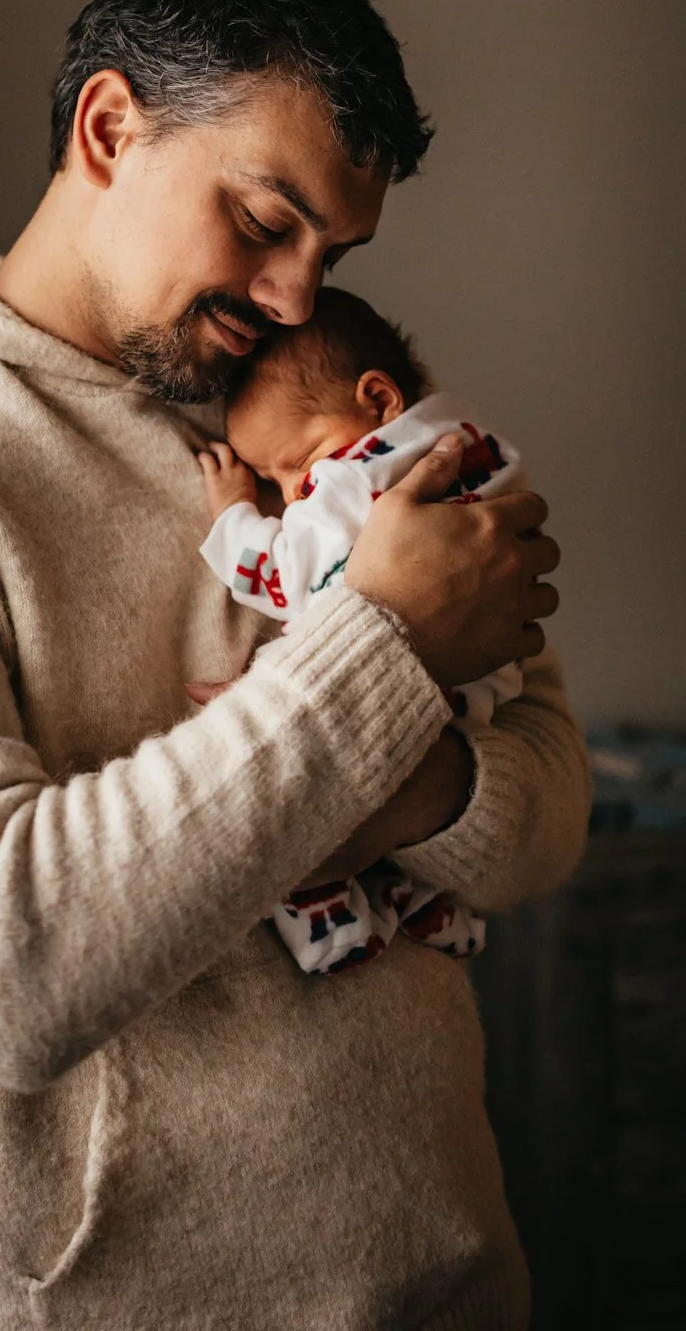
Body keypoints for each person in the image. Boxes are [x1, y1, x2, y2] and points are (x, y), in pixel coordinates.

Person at [0, 0, 589, 1331]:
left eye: (332, 247)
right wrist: (388, 656)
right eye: (264, 220)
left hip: (449, 1276)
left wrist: (410, 769)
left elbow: (548, 818)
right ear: (109, 128)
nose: (300, 294)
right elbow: (3, 962)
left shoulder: (311, 419)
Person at [193, 284, 527, 973]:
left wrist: (232, 512)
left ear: (377, 402)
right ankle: (426, 897)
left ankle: (329, 930)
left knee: (294, 831)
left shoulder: (352, 484)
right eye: (266, 477)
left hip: (384, 690)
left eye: (297, 462)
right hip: (480, 690)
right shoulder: (468, 440)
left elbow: (282, 576)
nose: (288, 494)